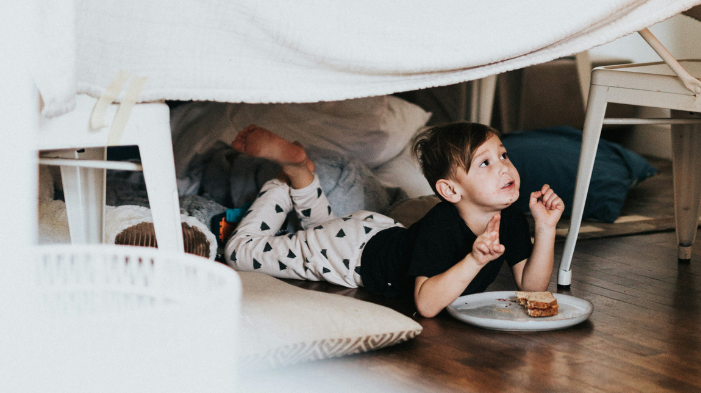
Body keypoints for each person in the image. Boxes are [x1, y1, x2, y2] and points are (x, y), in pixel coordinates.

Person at [224, 122, 564, 317]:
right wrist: (475, 260)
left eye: (503, 155)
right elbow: (426, 305)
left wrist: (546, 227)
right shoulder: (441, 224)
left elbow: (532, 289)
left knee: (317, 231)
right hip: (353, 255)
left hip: (377, 232)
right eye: (485, 162)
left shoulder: (511, 219)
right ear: (450, 190)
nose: (504, 167)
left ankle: (301, 173)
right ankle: (283, 182)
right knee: (240, 253)